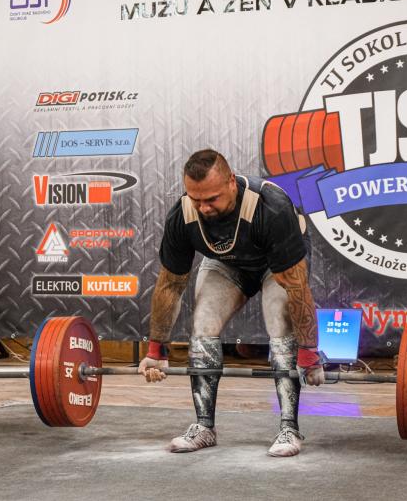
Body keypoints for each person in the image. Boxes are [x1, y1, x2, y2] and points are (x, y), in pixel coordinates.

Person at [138, 149, 325, 457]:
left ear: (231, 183)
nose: (203, 207)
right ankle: (204, 427)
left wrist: (308, 353)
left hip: (275, 265)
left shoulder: (271, 207)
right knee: (202, 324)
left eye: (211, 199)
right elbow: (170, 285)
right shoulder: (183, 214)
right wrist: (156, 349)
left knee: (279, 320)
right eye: (196, 198)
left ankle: (289, 427)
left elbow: (297, 288)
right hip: (226, 264)